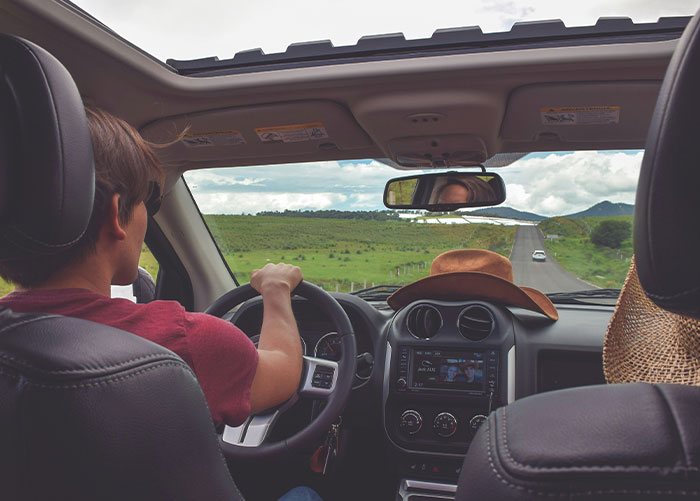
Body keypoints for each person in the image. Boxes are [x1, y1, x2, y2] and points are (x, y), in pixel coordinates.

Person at [0, 107, 303, 428]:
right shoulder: (185, 342)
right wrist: (276, 290)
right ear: (117, 215)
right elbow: (283, 373)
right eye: (148, 200)